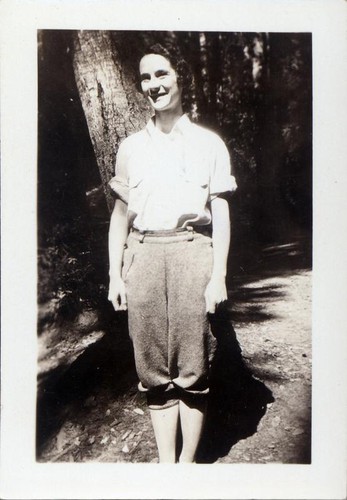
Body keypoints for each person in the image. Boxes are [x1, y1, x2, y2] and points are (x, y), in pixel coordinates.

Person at [108, 43, 237, 463]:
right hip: (142, 256)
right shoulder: (130, 147)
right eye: (146, 78)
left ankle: (186, 468)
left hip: (191, 252)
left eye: (161, 74)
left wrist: (218, 274)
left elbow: (219, 211)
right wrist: (115, 274)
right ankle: (167, 464)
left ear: (181, 77)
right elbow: (121, 216)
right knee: (151, 368)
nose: (153, 85)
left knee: (194, 365)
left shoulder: (209, 144)